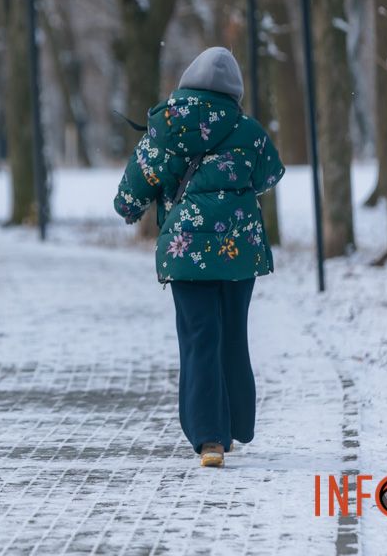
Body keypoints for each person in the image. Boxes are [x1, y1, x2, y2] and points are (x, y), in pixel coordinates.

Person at [113, 46, 284, 468]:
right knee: (232, 335)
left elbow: (129, 199)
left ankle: (210, 438)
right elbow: (271, 174)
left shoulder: (167, 127)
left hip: (186, 252)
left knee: (199, 338)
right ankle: (238, 423)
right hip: (239, 251)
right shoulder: (249, 131)